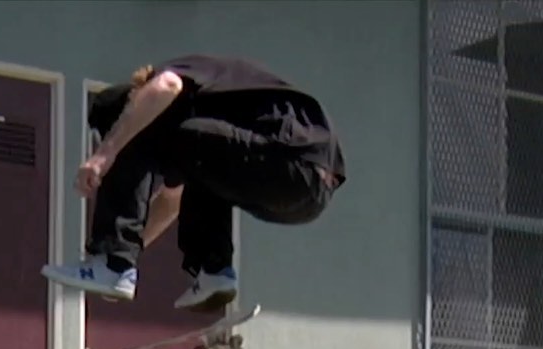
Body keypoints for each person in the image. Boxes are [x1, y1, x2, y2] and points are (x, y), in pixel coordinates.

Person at [41, 54, 346, 311]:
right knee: (202, 172)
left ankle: (113, 262)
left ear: (136, 93)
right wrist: (130, 255)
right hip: (310, 191)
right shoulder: (203, 129)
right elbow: (171, 202)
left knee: (136, 131)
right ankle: (213, 272)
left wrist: (106, 153)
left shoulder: (172, 76)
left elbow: (166, 87)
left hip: (289, 156)